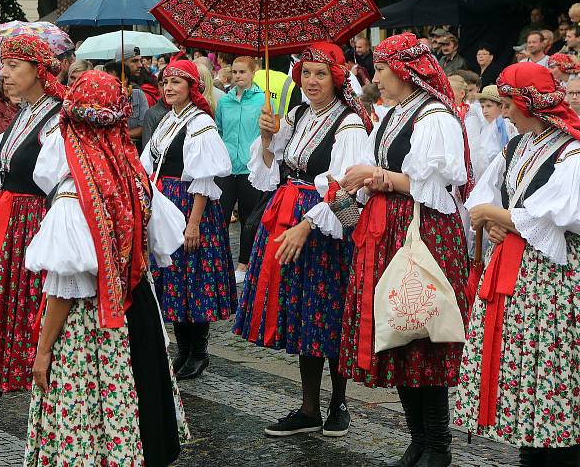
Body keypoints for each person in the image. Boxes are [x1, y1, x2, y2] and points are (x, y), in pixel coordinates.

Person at [21, 69, 188, 467]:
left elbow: (64, 287)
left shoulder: (71, 195)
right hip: (139, 313)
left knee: (86, 420)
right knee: (140, 402)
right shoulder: (136, 178)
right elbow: (159, 248)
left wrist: (43, 351)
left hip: (89, 325)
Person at [339, 33, 471, 467]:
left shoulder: (434, 117)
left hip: (423, 231)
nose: (374, 77)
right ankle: (418, 440)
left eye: (380, 68)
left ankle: (438, 444)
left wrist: (378, 176)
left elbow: (433, 188)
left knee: (422, 330)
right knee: (399, 331)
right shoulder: (396, 114)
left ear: (405, 71)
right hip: (392, 226)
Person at [233, 42, 371, 438]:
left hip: (327, 224)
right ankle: (309, 407)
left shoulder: (348, 124)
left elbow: (347, 188)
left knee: (329, 311)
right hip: (288, 212)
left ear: (336, 78)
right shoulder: (294, 115)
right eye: (306, 73)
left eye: (320, 74)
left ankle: (339, 403)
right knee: (303, 313)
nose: (311, 81)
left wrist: (308, 224)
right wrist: (265, 138)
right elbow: (265, 174)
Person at [453, 62, 580, 467]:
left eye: (509, 105)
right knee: (522, 360)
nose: (504, 113)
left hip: (556, 277)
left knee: (552, 360)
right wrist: (494, 218)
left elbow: (557, 214)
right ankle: (531, 442)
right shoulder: (515, 147)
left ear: (531, 104)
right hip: (519, 273)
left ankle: (562, 450)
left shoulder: (571, 151)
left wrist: (500, 216)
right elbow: (487, 197)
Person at [0, 34, 67, 396]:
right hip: (10, 216)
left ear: (39, 71)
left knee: (33, 294)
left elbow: (57, 179)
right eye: (3, 66)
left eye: (13, 66)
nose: (3, 74)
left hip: (36, 218)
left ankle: (38, 363)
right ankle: (12, 364)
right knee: (11, 293)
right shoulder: (25, 113)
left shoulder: (58, 117)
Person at [142, 59, 237, 380]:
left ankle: (199, 351)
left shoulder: (200, 124)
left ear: (191, 88)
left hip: (190, 206)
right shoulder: (169, 120)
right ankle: (183, 350)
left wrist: (193, 223)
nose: (168, 88)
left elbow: (205, 179)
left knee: (192, 278)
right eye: (166, 82)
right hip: (167, 203)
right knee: (174, 277)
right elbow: (149, 164)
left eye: (176, 83)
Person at [214, 56, 265, 283]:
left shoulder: (262, 99)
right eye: (234, 72)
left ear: (253, 73)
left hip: (250, 169)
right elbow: (220, 128)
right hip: (226, 167)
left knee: (248, 219)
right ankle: (221, 264)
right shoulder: (224, 102)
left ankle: (244, 264)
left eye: (243, 72)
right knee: (221, 216)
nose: (238, 76)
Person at [471, 85, 516, 179]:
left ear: (501, 107)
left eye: (489, 106)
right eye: (482, 107)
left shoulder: (504, 125)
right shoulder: (487, 126)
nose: (485, 111)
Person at [143, 67, 170, 148]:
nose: (166, 89)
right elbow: (147, 148)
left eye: (175, 83)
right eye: (162, 84)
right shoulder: (152, 113)